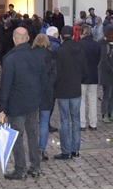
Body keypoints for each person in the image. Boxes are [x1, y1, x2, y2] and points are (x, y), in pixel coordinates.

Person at [0, 27, 47, 178]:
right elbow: (44, 79)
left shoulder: (10, 59)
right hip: (33, 102)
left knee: (17, 137)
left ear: (14, 39)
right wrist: (39, 96)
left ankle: (20, 169)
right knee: (33, 135)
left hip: (16, 104)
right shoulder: (38, 56)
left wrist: (2, 108)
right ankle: (35, 166)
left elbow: (5, 85)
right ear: (26, 39)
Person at [52, 26, 87, 159]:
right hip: (75, 89)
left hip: (62, 90)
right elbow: (85, 72)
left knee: (65, 121)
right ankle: (75, 149)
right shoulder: (80, 50)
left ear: (61, 36)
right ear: (73, 36)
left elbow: (56, 72)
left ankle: (66, 151)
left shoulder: (59, 51)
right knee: (76, 120)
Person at [33, 34, 55, 161]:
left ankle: (34, 148)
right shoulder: (51, 56)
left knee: (33, 123)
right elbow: (53, 76)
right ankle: (42, 149)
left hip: (33, 93)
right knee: (44, 123)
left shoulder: (31, 55)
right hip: (46, 94)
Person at [79, 24, 101, 130]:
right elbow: (98, 60)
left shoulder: (79, 45)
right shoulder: (97, 45)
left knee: (81, 100)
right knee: (92, 100)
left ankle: (82, 123)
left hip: (81, 76)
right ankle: (93, 123)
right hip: (93, 74)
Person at [99, 25, 113, 123]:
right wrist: (111, 68)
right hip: (107, 73)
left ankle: (110, 113)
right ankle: (104, 114)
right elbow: (103, 60)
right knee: (107, 95)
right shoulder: (104, 44)